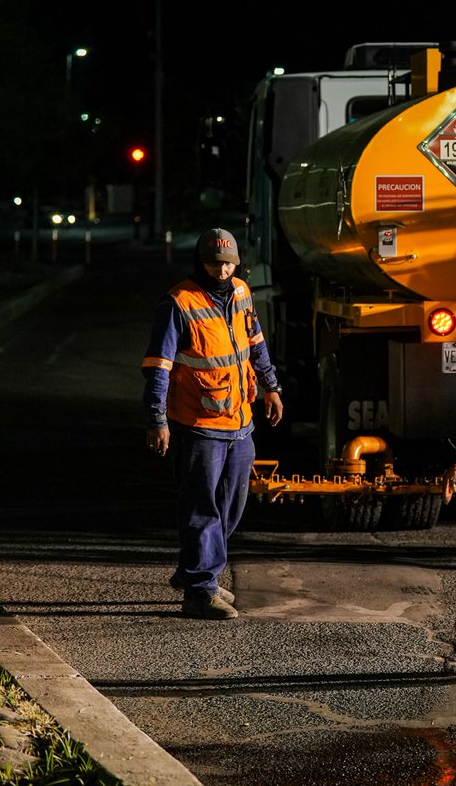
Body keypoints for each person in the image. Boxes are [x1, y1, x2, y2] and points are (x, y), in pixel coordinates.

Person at [141, 228, 284, 620]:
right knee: (201, 506)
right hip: (197, 423)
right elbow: (158, 368)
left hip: (240, 421)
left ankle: (195, 569)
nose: (221, 270)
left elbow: (255, 343)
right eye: (213, 262)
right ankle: (200, 589)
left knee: (230, 505)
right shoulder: (177, 303)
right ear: (199, 262)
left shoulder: (240, 293)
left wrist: (271, 385)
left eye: (228, 263)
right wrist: (157, 419)